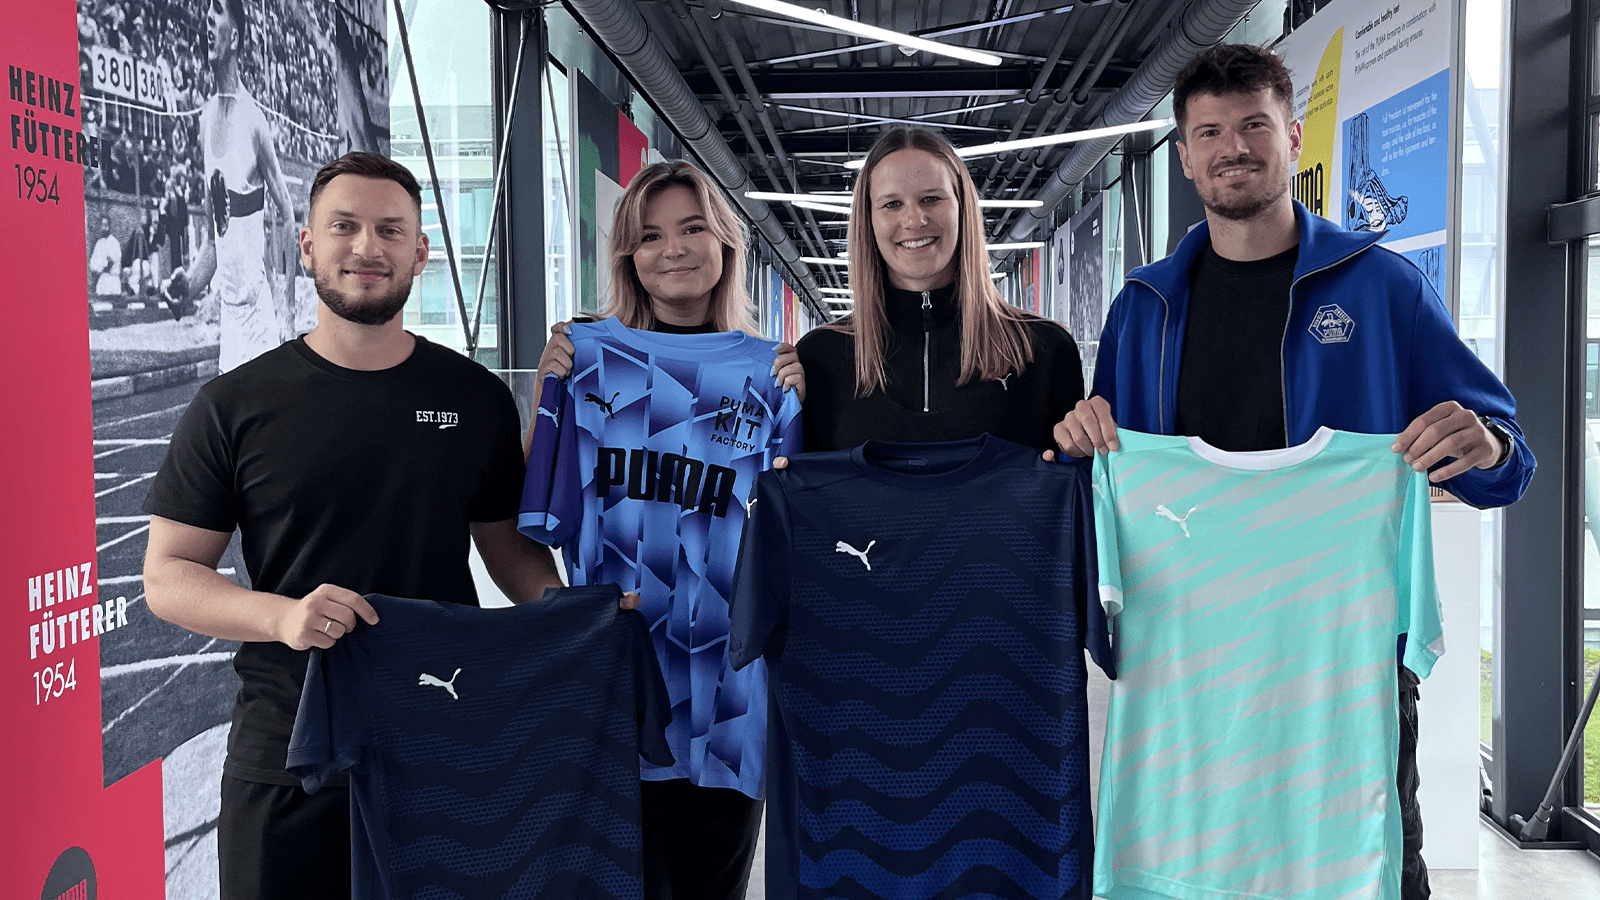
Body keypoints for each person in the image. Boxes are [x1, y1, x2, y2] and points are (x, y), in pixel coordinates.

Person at [1055, 44, 1535, 900]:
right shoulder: (1144, 307)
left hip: (1339, 661)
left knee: (1366, 862)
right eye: (1209, 133)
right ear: (1184, 154)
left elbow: (1507, 461)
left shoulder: (1382, 289)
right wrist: (1077, 439)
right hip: (1189, 663)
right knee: (1198, 867)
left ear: (1291, 138)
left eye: (1253, 125)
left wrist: (1488, 447)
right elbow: (1103, 471)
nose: (1232, 148)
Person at [142, 152, 603, 900]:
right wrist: (283, 617)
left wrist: (583, 619)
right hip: (285, 753)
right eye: (344, 227)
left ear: (419, 252)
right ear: (306, 246)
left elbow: (512, 556)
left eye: (390, 230)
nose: (367, 247)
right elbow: (167, 576)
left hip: (440, 740)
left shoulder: (475, 398)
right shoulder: (233, 405)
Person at [522, 160, 802, 900]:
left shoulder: (771, 376)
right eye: (650, 236)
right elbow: (540, 513)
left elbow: (796, 546)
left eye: (692, 228)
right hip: (616, 678)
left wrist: (797, 407)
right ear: (628, 256)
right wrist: (550, 393)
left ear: (725, 243)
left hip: (727, 694)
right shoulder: (586, 359)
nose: (673, 248)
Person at [795, 125, 1084, 453]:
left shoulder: (1043, 352)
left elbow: (1080, 477)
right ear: (869, 220)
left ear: (962, 208)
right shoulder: (818, 359)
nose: (914, 220)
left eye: (931, 199)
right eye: (892, 204)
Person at [170, 0, 295, 372]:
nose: (207, 18)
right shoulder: (205, 119)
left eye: (218, 10)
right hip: (231, 324)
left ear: (236, 37)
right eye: (207, 11)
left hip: (258, 320)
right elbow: (215, 241)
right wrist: (186, 287)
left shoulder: (254, 122)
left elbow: (288, 215)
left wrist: (287, 309)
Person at [90, 214, 122, 298]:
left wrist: (100, 269)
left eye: (105, 225)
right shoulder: (99, 243)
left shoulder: (114, 242)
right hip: (101, 281)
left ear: (109, 226)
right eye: (102, 225)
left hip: (111, 280)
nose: (103, 228)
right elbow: (93, 264)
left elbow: (110, 263)